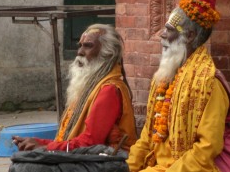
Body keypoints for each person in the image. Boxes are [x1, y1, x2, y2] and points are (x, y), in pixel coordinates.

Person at [126, 0, 230, 172]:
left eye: (169, 29)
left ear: (188, 36)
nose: (162, 35)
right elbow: (148, 136)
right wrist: (126, 167)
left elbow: (207, 149)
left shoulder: (209, 83)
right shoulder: (163, 78)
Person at [12, 23, 137, 152]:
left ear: (108, 53)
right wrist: (37, 142)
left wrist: (46, 147)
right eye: (80, 46)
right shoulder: (89, 86)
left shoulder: (109, 90)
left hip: (107, 161)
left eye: (88, 46)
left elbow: (91, 143)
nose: (80, 52)